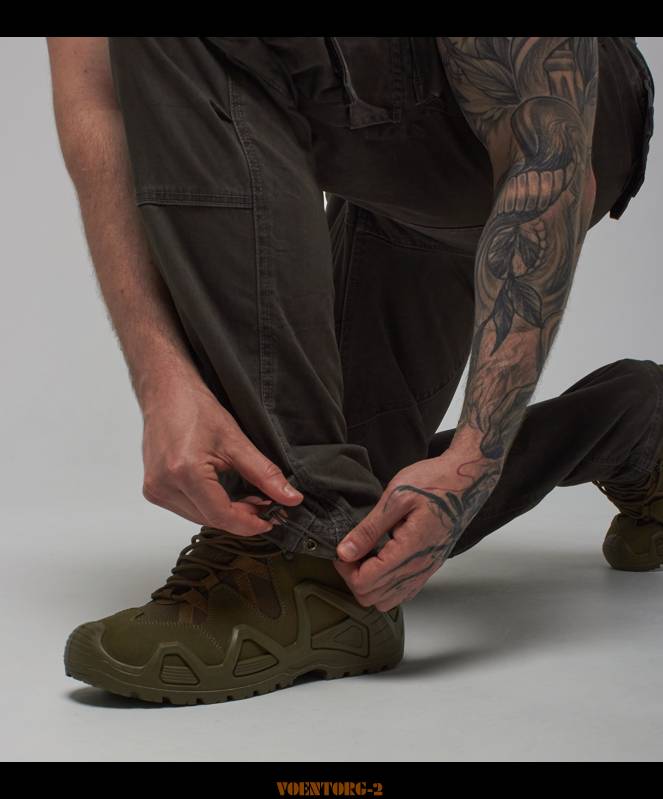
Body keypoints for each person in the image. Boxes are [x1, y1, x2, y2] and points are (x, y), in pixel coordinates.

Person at [48, 37, 660, 705]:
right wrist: (162, 377)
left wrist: (475, 461)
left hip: (566, 114)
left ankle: (295, 555)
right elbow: (100, 102)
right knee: (364, 524)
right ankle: (633, 423)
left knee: (325, 515)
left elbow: (549, 151)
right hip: (385, 145)